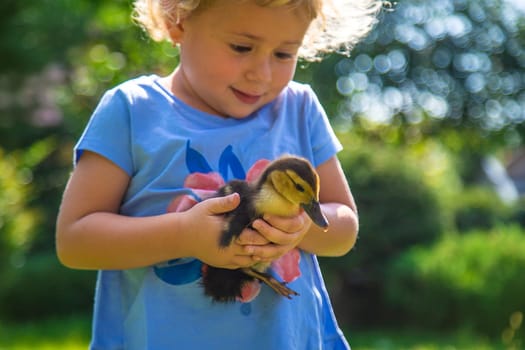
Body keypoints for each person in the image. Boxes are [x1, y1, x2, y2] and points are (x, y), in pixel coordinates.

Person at [56, 0, 381, 348]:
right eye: (241, 47)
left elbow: (343, 226)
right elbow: (76, 241)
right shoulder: (133, 110)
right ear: (177, 19)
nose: (262, 73)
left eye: (284, 54)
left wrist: (300, 227)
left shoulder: (299, 109)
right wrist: (183, 235)